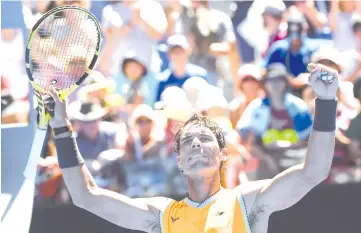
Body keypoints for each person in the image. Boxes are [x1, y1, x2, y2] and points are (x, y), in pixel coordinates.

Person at [47, 62, 339, 233]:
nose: (196, 143)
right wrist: (60, 125)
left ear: (223, 154)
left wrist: (325, 102)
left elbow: (314, 171)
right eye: (187, 141)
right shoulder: (160, 215)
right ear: (179, 161)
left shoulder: (248, 203)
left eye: (204, 138)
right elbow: (85, 196)